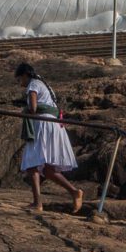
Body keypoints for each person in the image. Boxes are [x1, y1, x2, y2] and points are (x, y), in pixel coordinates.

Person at [15, 62, 84, 214]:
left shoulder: (33, 84)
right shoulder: (45, 85)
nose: (21, 84)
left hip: (43, 124)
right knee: (48, 170)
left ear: (25, 75)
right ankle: (74, 192)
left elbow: (33, 108)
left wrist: (25, 111)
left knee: (32, 163)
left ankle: (37, 203)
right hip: (53, 124)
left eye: (20, 80)